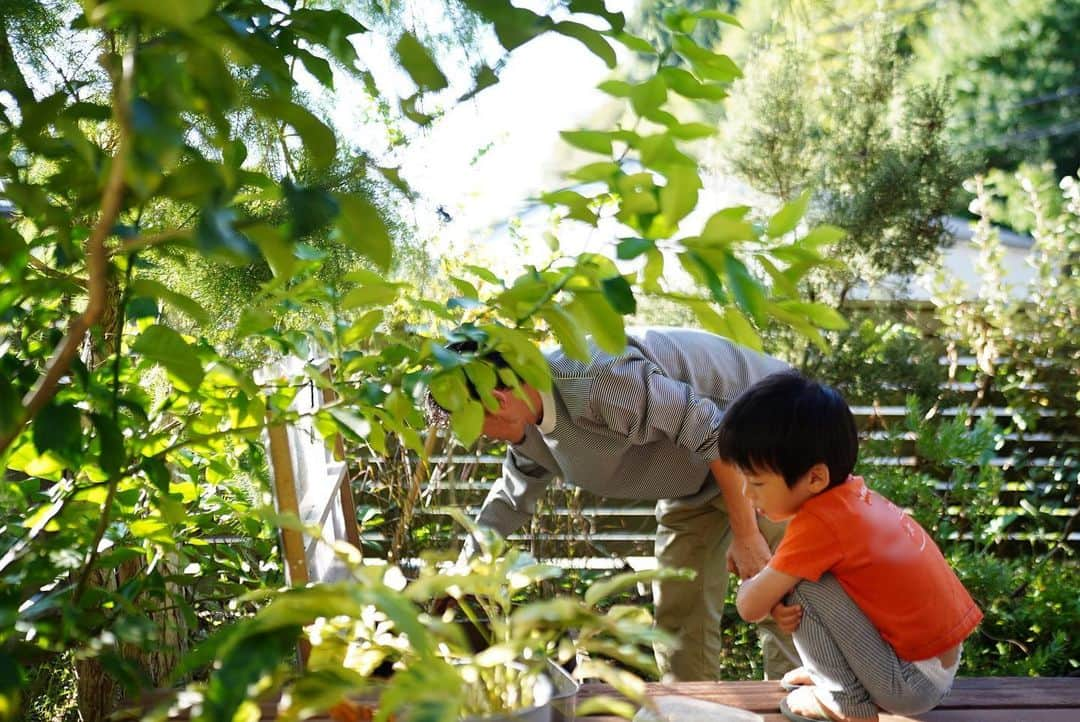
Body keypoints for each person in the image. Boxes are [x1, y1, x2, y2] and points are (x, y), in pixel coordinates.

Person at [427, 326, 800, 682]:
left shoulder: (594, 380)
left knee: (783, 601)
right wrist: (463, 573)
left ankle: (798, 712)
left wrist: (747, 533)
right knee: (680, 613)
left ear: (498, 400)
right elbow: (511, 496)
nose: (473, 438)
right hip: (695, 478)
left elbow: (715, 434)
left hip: (765, 444)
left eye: (470, 425)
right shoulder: (527, 428)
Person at [716, 371, 982, 722]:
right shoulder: (854, 500)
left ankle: (845, 700)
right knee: (798, 580)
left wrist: (760, 589)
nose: (748, 496)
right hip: (930, 668)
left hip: (911, 684)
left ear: (815, 478)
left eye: (757, 483)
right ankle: (842, 677)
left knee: (801, 584)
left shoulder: (819, 525)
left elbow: (749, 606)